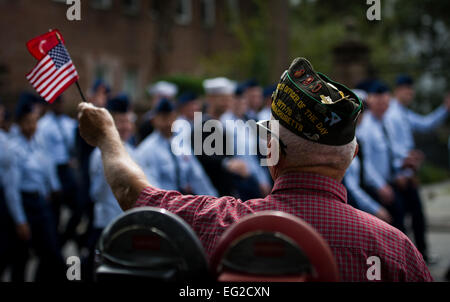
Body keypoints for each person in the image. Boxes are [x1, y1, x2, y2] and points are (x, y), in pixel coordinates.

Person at [77, 57, 432, 281]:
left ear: (270, 150)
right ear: (352, 156)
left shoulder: (218, 223)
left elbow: (133, 194)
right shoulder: (395, 251)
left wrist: (107, 137)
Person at [383, 74, 450, 262]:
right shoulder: (392, 115)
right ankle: (407, 258)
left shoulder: (403, 112)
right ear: (398, 91)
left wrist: (444, 109)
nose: (410, 93)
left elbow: (425, 124)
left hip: (407, 172)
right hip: (400, 175)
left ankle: (418, 256)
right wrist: (404, 168)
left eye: (412, 90)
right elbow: (391, 148)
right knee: (403, 219)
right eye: (407, 90)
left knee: (416, 216)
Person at [3, 94, 65, 281]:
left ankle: (65, 276)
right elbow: (11, 189)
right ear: (19, 123)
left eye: (34, 121)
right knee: (20, 259)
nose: (32, 127)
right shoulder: (13, 149)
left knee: (53, 254)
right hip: (25, 203)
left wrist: (52, 189)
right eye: (27, 122)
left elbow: (47, 168)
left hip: (41, 202)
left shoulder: (39, 142)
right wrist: (20, 220)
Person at [83, 94, 138, 280]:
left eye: (128, 121)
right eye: (120, 121)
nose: (126, 127)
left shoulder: (132, 151)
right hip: (106, 223)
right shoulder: (100, 155)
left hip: (127, 223)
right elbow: (96, 193)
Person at [137, 98, 217, 196]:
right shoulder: (147, 149)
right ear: (154, 120)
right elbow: (152, 189)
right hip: (162, 205)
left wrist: (213, 201)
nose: (167, 123)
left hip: (183, 201)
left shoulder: (181, 142)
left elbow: (198, 177)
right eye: (163, 118)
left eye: (170, 118)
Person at [358, 81, 405, 231]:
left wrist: (402, 165)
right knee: (392, 223)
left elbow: (391, 153)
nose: (383, 106)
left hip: (388, 181)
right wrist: (381, 186)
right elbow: (366, 162)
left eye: (386, 102)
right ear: (372, 102)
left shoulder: (385, 123)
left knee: (402, 216)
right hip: (374, 186)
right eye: (379, 102)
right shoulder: (366, 128)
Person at [343, 89, 392, 223]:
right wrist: (375, 208)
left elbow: (366, 166)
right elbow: (351, 188)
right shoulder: (344, 143)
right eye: (356, 110)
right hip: (353, 203)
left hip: (363, 194)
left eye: (363, 110)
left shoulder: (356, 138)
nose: (361, 115)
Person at [37, 95, 78, 231]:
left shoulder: (68, 123)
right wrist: (53, 183)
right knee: (55, 211)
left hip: (67, 168)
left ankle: (64, 237)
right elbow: (46, 156)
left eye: (61, 102)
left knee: (79, 205)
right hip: (53, 170)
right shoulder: (43, 125)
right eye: (56, 103)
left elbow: (74, 147)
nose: (59, 106)